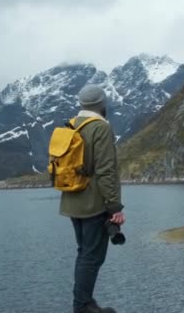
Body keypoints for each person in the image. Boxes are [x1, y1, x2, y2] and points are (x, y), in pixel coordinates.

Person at [60, 84, 125, 313]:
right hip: (94, 203)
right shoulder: (100, 128)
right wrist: (114, 207)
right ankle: (82, 305)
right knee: (92, 257)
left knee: (83, 253)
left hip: (71, 200)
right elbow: (106, 171)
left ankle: (85, 301)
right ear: (102, 105)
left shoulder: (71, 125)